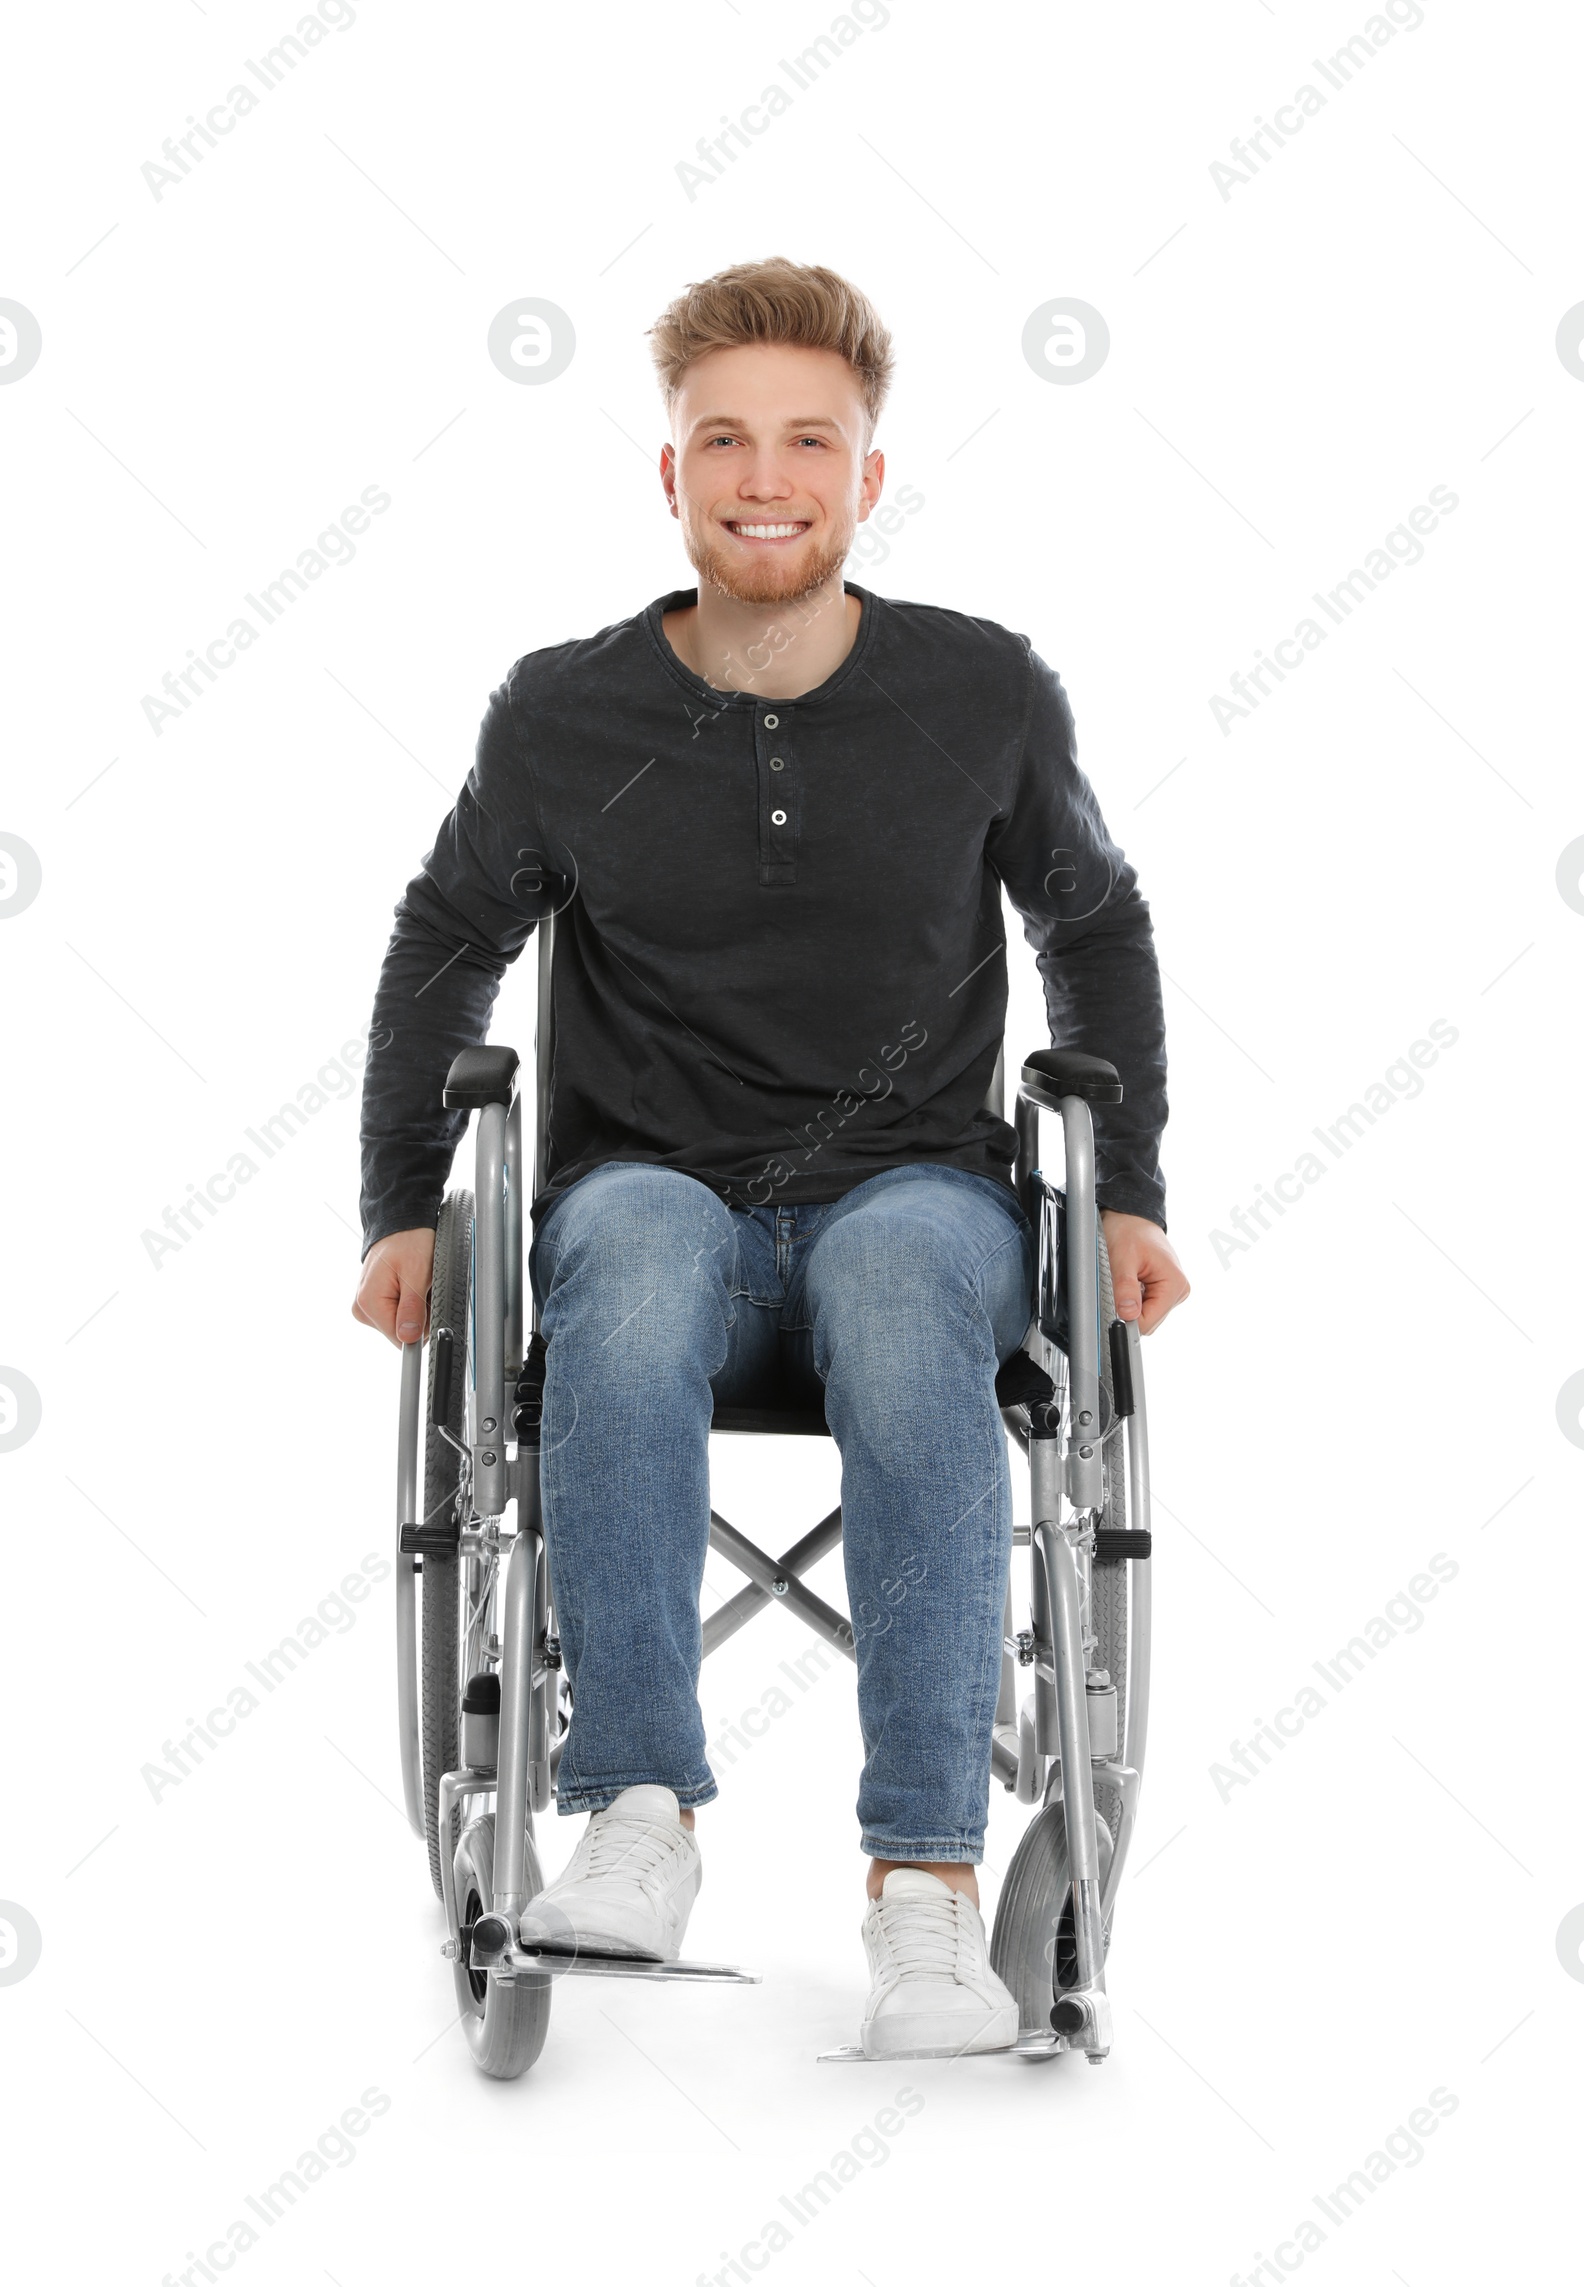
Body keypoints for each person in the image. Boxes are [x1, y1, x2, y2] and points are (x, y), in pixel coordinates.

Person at [353, 257, 1189, 2059]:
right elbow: (441, 947)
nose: (764, 472)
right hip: (654, 1195)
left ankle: (928, 1891)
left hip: (920, 1197)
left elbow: (1097, 929)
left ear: (867, 475)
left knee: (901, 1286)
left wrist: (1127, 1192)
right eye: (721, 436)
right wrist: (405, 1206)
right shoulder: (563, 714)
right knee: (638, 1257)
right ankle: (637, 1814)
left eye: (809, 438)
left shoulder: (981, 694)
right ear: (669, 474)